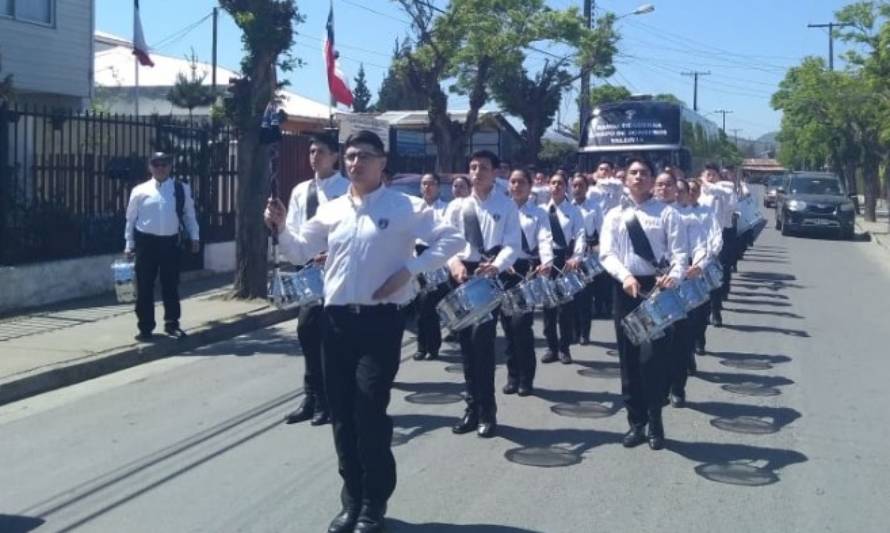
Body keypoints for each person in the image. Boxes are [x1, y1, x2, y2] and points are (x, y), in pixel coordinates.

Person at [265, 130, 464, 533]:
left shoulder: (405, 207)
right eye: (351, 156)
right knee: (341, 414)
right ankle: (351, 498)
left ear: (382, 161)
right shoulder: (333, 208)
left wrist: (409, 270)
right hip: (336, 321)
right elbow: (301, 249)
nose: (356, 163)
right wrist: (282, 227)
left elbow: (453, 237)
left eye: (365, 156)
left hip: (380, 322)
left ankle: (374, 502)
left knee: (369, 410)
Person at [599, 158, 688, 451]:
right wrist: (624, 276)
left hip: (657, 289)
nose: (638, 177)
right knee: (629, 359)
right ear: (625, 179)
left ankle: (655, 419)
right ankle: (635, 422)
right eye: (633, 173)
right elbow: (607, 254)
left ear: (652, 180)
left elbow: (679, 254)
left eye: (644, 173)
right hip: (625, 288)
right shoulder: (614, 215)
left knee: (654, 358)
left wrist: (673, 277)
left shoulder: (667, 214)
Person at [445, 149, 521, 438]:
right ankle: (471, 407)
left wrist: (498, 266)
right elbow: (446, 242)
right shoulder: (457, 207)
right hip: (462, 275)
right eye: (473, 167)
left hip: (489, 276)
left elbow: (512, 244)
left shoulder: (507, 205)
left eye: (484, 168)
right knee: (466, 345)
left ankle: (488, 411)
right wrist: (453, 265)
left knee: (483, 345)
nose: (477, 172)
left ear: (495, 173)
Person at [282, 132, 350, 426]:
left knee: (329, 339)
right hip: (308, 271)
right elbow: (294, 231)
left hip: (336, 272)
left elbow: (353, 233)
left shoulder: (347, 189)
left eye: (321, 151)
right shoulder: (300, 190)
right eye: (311, 151)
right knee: (307, 332)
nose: (314, 156)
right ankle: (311, 397)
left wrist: (332, 254)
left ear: (335, 155)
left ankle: (329, 400)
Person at [653, 173, 715, 408]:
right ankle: (659, 386)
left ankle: (677, 387)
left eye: (678, 190)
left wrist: (697, 265)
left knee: (681, 338)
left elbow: (701, 246)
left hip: (684, 281)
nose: (672, 192)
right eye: (665, 187)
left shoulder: (691, 218)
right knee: (658, 338)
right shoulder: (650, 215)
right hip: (656, 281)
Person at [124, 151, 200, 341]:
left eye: (164, 164)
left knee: (170, 285)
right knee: (144, 286)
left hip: (170, 242)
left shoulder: (181, 188)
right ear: (150, 167)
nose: (160, 168)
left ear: (170, 166)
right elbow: (130, 219)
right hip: (145, 243)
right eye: (156, 164)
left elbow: (189, 215)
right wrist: (129, 244)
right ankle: (146, 327)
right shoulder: (139, 190)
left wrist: (195, 237)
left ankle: (172, 323)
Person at [500, 168, 553, 396]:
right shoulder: (502, 210)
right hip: (504, 270)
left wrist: (547, 261)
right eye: (513, 182)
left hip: (527, 271)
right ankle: (512, 375)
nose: (516, 186)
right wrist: (502, 260)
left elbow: (544, 238)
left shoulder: (539, 213)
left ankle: (526, 378)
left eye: (521, 182)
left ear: (530, 186)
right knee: (507, 327)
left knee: (522, 325)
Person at [542, 172, 586, 364]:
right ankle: (551, 347)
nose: (556, 186)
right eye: (553, 182)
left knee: (565, 308)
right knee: (548, 308)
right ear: (548, 186)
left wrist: (577, 257)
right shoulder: (541, 210)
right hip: (546, 261)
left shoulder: (574, 211)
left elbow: (581, 234)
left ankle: (564, 348)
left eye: (560, 183)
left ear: (566, 186)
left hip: (566, 259)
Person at [413, 173, 450, 361]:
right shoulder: (413, 208)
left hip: (436, 260)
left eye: (431, 184)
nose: (427, 187)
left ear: (438, 187)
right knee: (420, 306)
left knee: (429, 305)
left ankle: (431, 346)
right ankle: (422, 345)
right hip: (415, 259)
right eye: (424, 184)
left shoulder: (445, 209)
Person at [685, 178, 723, 356]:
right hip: (681, 267)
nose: (691, 193)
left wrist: (706, 259)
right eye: (688, 190)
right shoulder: (675, 212)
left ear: (699, 193)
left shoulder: (707, 212)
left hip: (702, 265)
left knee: (701, 311)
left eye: (694, 190)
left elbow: (715, 237)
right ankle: (686, 351)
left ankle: (699, 340)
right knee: (685, 312)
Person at [699, 163, 738, 327]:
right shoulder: (697, 192)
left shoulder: (724, 189)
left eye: (713, 174)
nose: (709, 177)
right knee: (700, 279)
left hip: (718, 239)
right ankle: (703, 311)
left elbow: (732, 202)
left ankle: (715, 311)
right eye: (706, 174)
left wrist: (710, 184)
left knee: (715, 276)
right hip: (699, 240)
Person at [570, 173, 604, 345]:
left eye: (580, 186)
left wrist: (598, 245)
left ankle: (585, 332)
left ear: (586, 188)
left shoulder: (594, 207)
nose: (577, 189)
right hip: (571, 255)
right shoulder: (568, 206)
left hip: (588, 253)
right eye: (574, 186)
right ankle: (574, 331)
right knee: (573, 295)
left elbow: (601, 230)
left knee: (585, 295)